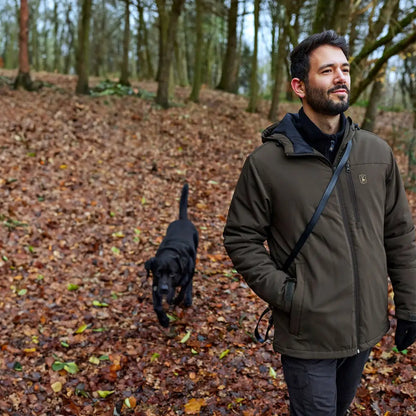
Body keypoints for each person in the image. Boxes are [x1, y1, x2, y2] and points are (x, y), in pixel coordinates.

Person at [223, 30, 416, 416]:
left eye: (344, 68)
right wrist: (291, 297)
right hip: (308, 335)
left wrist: (410, 306)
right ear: (299, 85)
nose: (340, 77)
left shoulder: (376, 153)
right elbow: (240, 238)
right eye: (327, 70)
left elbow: (399, 234)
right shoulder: (267, 164)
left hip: (365, 328)